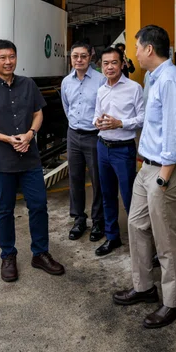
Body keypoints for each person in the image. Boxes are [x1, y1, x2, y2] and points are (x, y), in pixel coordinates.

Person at [113, 25, 176, 329]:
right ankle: (144, 287)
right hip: (146, 166)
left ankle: (173, 303)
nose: (133, 52)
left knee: (166, 238)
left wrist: (164, 175)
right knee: (136, 225)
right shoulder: (152, 77)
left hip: (164, 171)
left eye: (136, 47)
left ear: (149, 49)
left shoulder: (173, 80)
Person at [0, 39, 65, 282]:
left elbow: (38, 113)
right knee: (4, 210)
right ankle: (8, 256)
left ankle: (40, 253)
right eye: (2, 57)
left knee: (39, 206)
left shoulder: (28, 84)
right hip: (1, 161)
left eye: (12, 56)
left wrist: (31, 133)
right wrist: (6, 139)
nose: (8, 61)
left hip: (30, 159)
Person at [93, 46, 144, 256]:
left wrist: (120, 123)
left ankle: (139, 242)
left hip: (123, 150)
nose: (110, 67)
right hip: (102, 147)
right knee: (107, 195)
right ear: (101, 66)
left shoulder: (134, 88)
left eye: (114, 62)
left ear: (122, 64)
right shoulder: (101, 90)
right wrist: (97, 122)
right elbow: (96, 115)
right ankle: (112, 237)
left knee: (130, 197)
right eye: (106, 63)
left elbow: (142, 118)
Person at [61, 42, 105, 242]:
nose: (78, 60)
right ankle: (79, 219)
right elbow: (67, 107)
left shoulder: (101, 80)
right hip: (73, 135)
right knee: (75, 178)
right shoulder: (66, 82)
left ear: (91, 57)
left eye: (83, 56)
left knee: (98, 180)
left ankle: (98, 221)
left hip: (94, 136)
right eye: (75, 56)